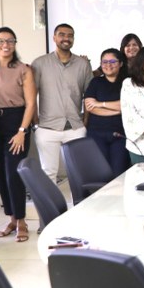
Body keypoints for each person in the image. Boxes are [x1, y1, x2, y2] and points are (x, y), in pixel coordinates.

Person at [0, 28, 35, 244]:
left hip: (16, 123)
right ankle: (12, 219)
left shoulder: (24, 69)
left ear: (15, 44)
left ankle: (22, 221)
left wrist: (22, 131)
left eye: (10, 41)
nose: (6, 45)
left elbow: (31, 103)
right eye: (1, 41)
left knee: (14, 175)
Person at [31, 23, 92, 183]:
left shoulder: (83, 64)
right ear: (54, 38)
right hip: (47, 127)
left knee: (78, 173)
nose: (66, 38)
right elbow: (32, 95)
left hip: (75, 127)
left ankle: (78, 207)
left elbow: (89, 95)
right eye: (62, 34)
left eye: (70, 35)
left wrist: (85, 120)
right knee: (48, 172)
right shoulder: (39, 63)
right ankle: (49, 208)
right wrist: (36, 123)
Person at [84, 48, 130, 175]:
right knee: (100, 174)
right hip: (96, 134)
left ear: (120, 63)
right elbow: (90, 107)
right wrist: (120, 110)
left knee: (118, 172)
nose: (108, 65)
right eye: (104, 62)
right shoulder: (95, 82)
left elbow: (130, 105)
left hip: (120, 135)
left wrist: (101, 104)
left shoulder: (128, 82)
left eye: (112, 61)